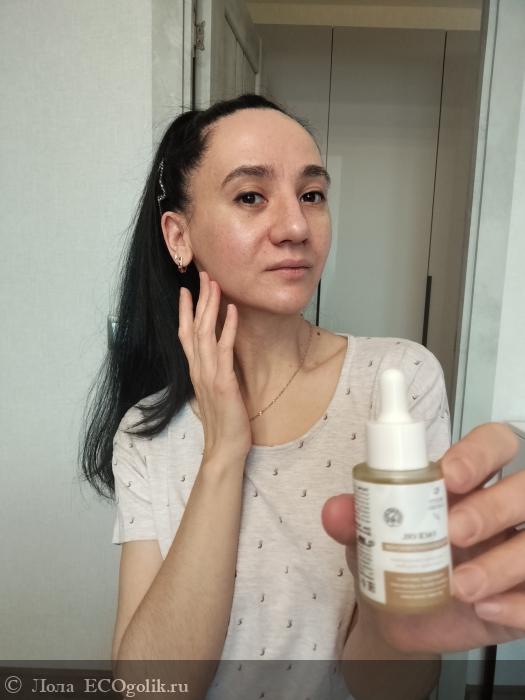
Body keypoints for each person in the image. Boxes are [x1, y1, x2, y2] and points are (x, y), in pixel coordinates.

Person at [80, 93, 525, 700]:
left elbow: (397, 690)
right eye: (250, 196)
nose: (296, 227)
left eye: (312, 194)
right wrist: (223, 453)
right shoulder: (146, 433)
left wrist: (394, 614)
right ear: (178, 236)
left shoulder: (397, 379)